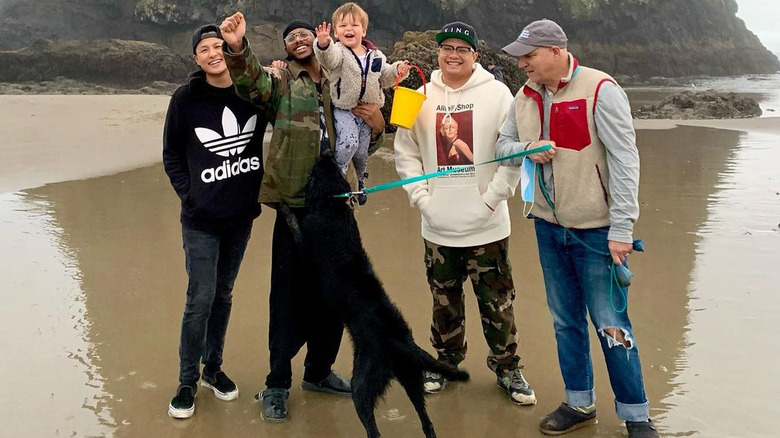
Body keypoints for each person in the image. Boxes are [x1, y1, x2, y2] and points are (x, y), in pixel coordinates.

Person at [218, 12, 386, 422]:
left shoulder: (341, 77)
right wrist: (238, 48)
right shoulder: (280, 83)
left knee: (333, 297)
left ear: (318, 39)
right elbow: (250, 81)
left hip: (337, 205)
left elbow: (364, 137)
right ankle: (277, 382)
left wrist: (380, 125)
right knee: (288, 298)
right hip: (294, 206)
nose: (298, 40)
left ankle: (319, 371)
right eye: (290, 37)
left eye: (304, 34)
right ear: (285, 48)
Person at [496, 19, 660, 438]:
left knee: (611, 323)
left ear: (555, 51)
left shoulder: (601, 89)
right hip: (548, 228)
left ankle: (636, 417)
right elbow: (502, 148)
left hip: (598, 232)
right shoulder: (525, 95)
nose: (522, 64)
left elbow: (626, 161)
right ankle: (579, 403)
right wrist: (526, 149)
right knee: (565, 321)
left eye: (528, 56)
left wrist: (622, 228)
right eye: (519, 56)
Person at [394, 21, 536, 406]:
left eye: (461, 48)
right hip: (437, 225)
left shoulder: (499, 94)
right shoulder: (418, 94)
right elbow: (404, 152)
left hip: (487, 225)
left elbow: (513, 152)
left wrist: (493, 198)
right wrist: (421, 198)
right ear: (438, 53)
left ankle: (508, 368)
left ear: (475, 54)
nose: (452, 54)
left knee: (497, 301)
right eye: (446, 47)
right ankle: (444, 363)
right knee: (444, 300)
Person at [162, 23, 268, 419]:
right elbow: (171, 152)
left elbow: (294, 119)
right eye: (204, 48)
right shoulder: (186, 98)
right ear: (196, 58)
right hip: (201, 220)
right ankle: (187, 380)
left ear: (231, 50)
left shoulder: (251, 92)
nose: (213, 53)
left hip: (241, 217)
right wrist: (190, 195)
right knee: (199, 299)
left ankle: (213, 369)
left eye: (218, 46)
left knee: (223, 294)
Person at [313, 2, 410, 204]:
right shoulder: (338, 52)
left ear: (363, 30)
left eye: (354, 25)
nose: (349, 29)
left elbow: (385, 76)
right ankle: (337, 177)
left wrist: (398, 69)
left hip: (368, 114)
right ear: (337, 33)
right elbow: (327, 60)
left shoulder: (375, 55)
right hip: (345, 110)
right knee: (349, 143)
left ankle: (359, 184)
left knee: (361, 153)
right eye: (343, 26)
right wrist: (323, 44)